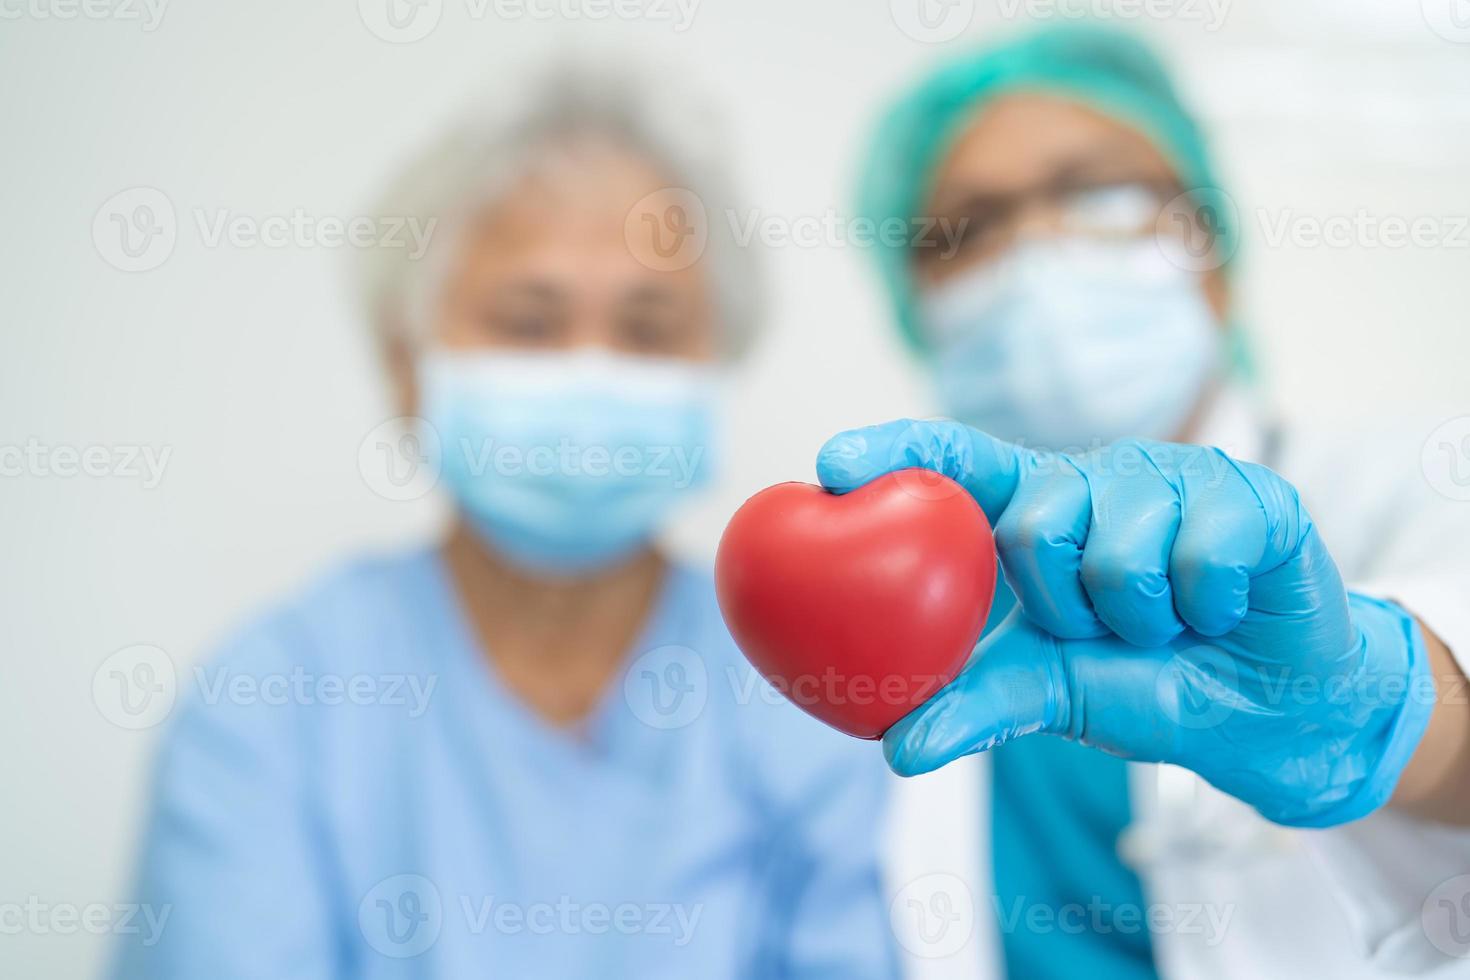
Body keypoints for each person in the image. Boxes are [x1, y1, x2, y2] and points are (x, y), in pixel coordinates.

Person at [112, 62, 897, 979]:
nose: (591, 372)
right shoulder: (273, 706)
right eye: (530, 322)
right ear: (407, 365)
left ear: (716, 368)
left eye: (647, 331)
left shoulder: (798, 695)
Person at [833, 25, 1470, 979]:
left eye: (1095, 194)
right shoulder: (905, 608)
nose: (1036, 252)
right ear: (915, 305)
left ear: (1209, 254)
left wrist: (1384, 718)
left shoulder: (1415, 483)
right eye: (966, 229)